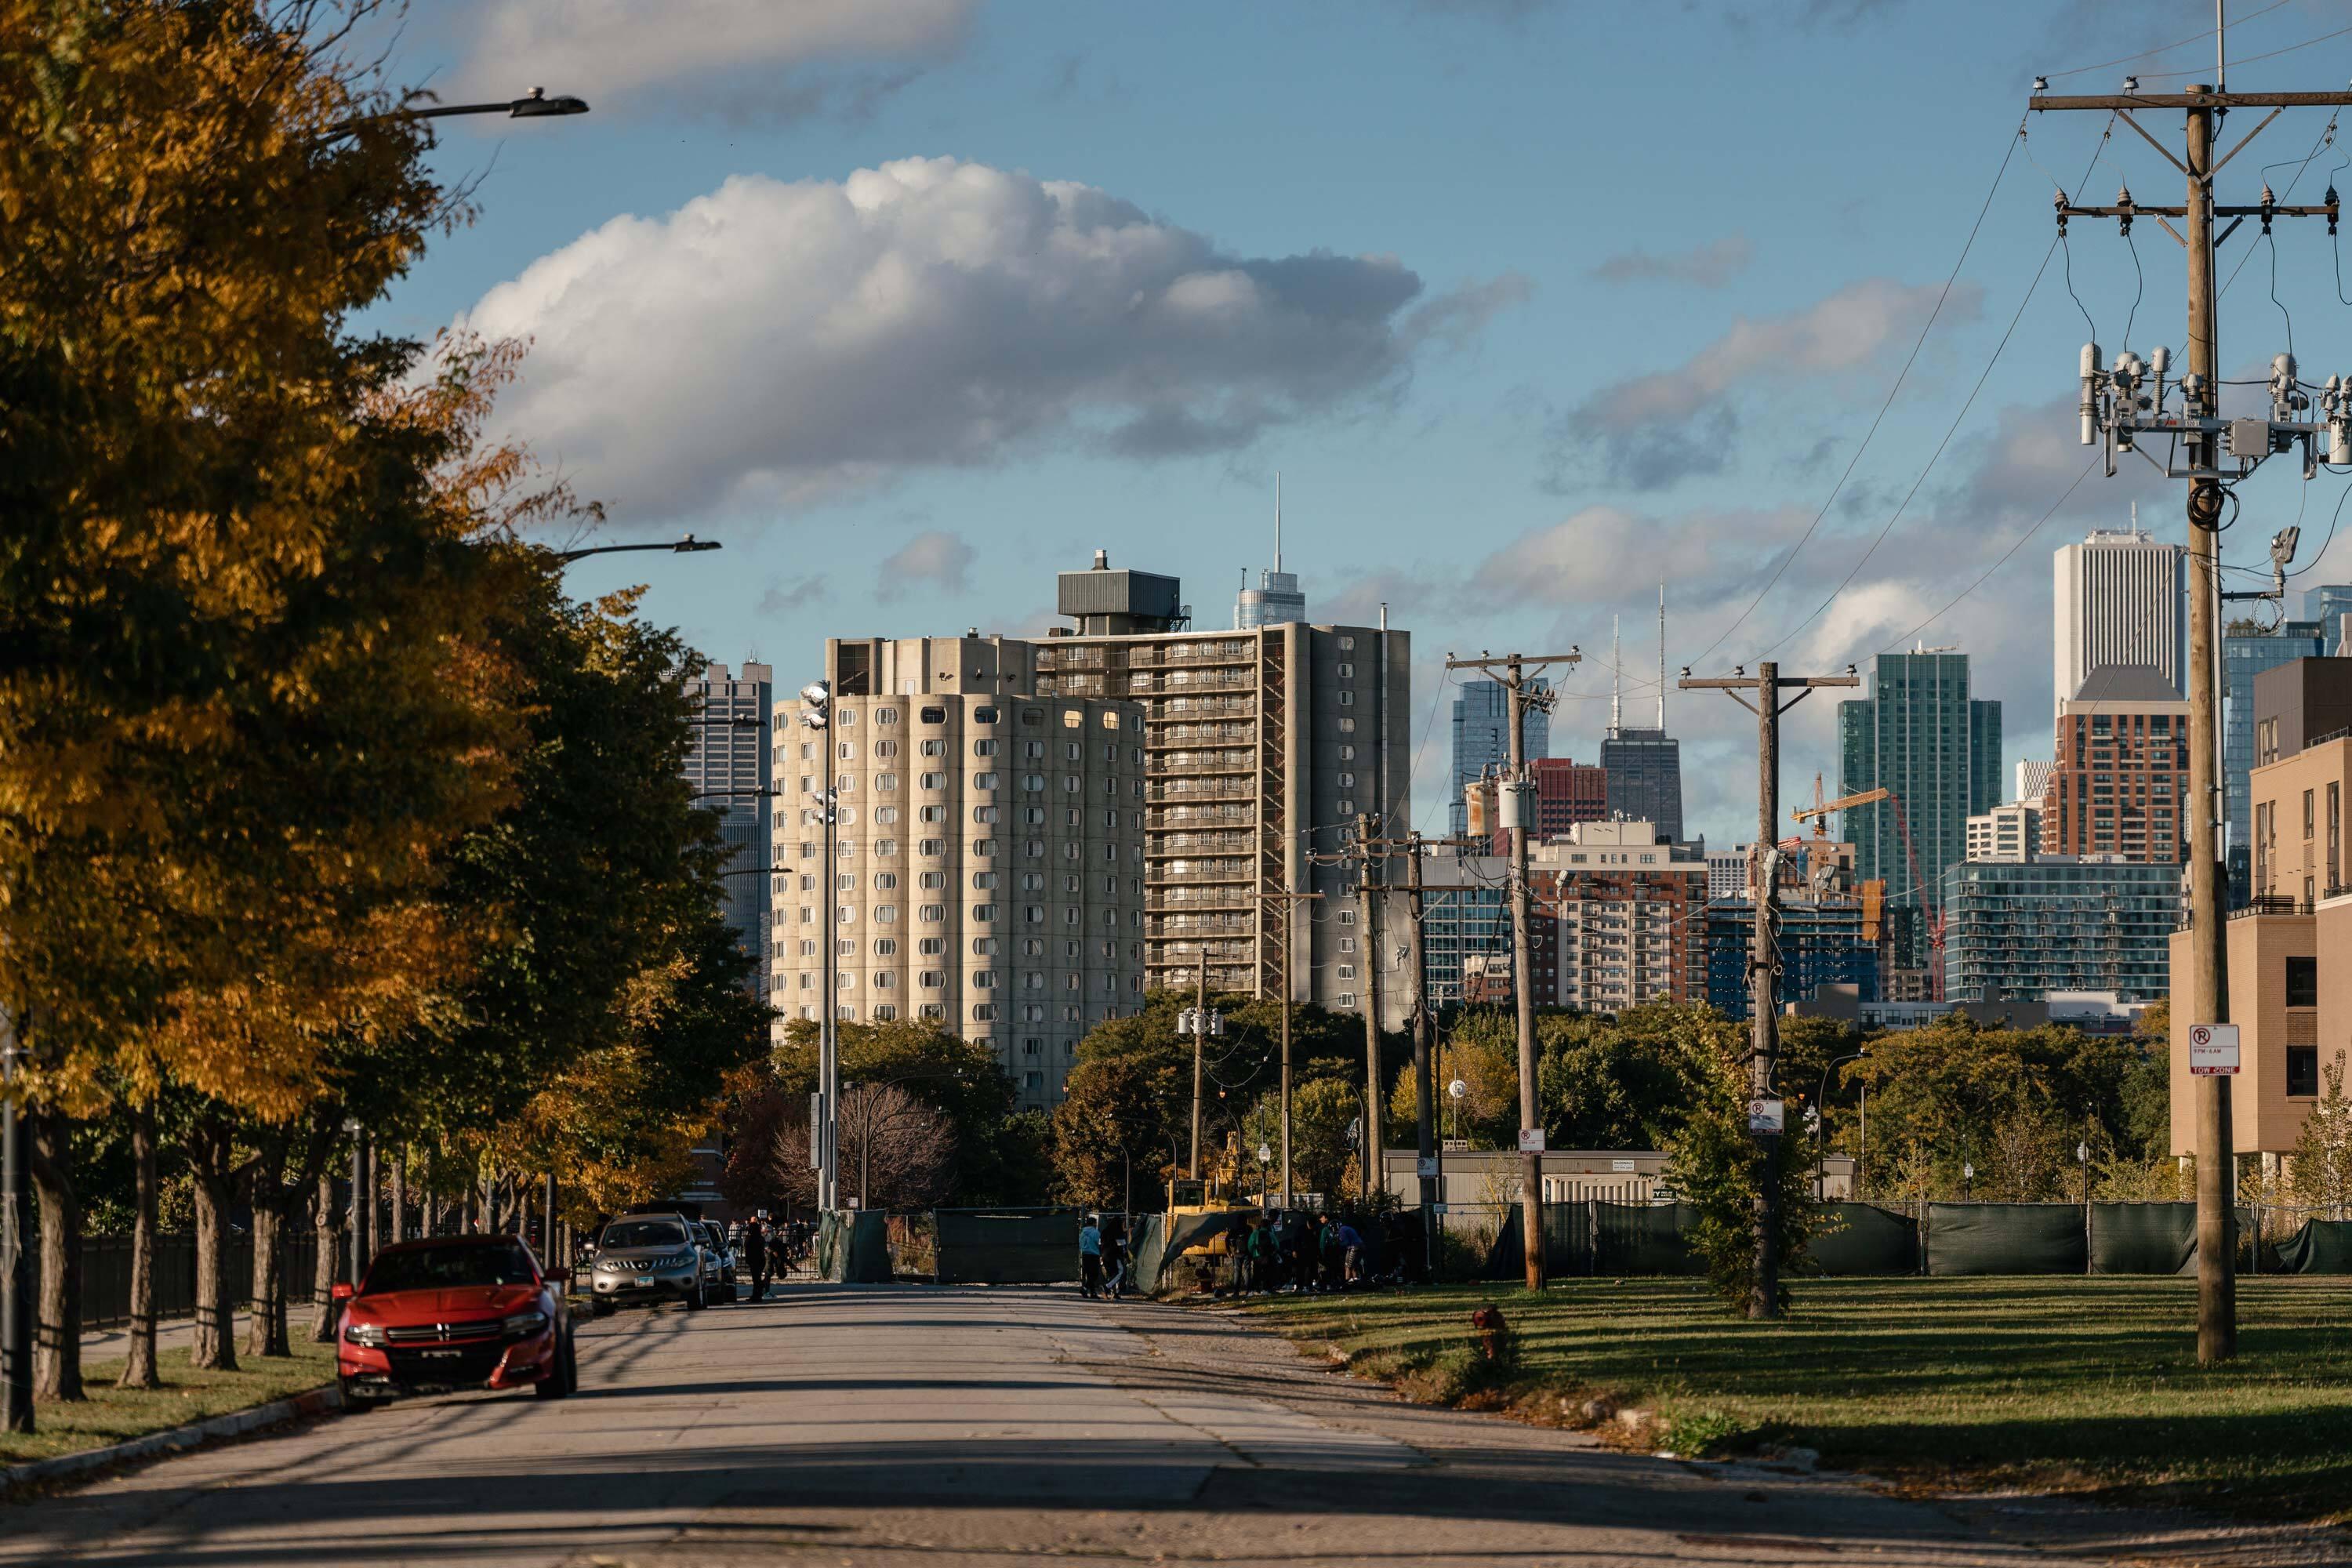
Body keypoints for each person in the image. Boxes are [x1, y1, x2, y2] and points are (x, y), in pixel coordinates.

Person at [742, 1213, 771, 1301]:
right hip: (759, 1259)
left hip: (755, 1260)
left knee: (756, 1279)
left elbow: (748, 1248)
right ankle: (756, 1294)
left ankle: (757, 1295)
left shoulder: (752, 1238)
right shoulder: (759, 1237)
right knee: (756, 1278)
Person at [1078, 1213, 1105, 1298]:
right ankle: (1085, 1288)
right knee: (1095, 1274)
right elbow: (1099, 1243)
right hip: (1094, 1254)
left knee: (1089, 1274)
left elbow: (1080, 1243)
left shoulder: (1083, 1232)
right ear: (1094, 1223)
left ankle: (1092, 1292)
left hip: (1085, 1254)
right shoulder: (1096, 1232)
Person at [1335, 1217, 1366, 1287]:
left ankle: (1347, 1283)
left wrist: (1338, 1242)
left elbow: (1346, 1242)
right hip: (1356, 1246)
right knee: (1351, 1265)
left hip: (1354, 1246)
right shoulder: (1344, 1228)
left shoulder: (1342, 1231)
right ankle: (1355, 1281)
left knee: (1349, 1266)